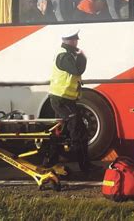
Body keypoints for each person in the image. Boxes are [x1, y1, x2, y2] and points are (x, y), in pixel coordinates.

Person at [47, 29, 95, 173]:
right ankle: (84, 166)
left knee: (62, 131)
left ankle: (50, 161)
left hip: (65, 99)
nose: (76, 43)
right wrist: (82, 57)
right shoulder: (64, 56)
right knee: (78, 132)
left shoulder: (66, 54)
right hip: (62, 100)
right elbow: (77, 70)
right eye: (74, 40)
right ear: (68, 40)